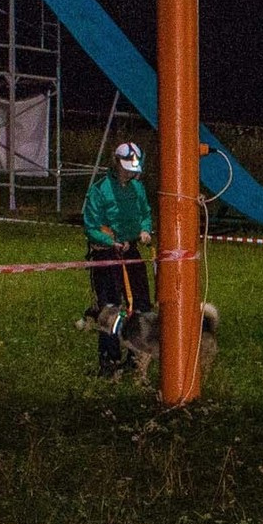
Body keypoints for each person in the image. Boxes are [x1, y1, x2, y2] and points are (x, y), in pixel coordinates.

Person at [83, 140, 154, 378]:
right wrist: (108, 242)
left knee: (141, 305)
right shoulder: (100, 190)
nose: (132, 171)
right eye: (127, 166)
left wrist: (145, 229)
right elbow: (91, 226)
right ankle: (109, 362)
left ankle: (136, 360)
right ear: (116, 163)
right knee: (110, 308)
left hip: (131, 253)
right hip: (106, 255)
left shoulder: (138, 188)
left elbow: (145, 213)